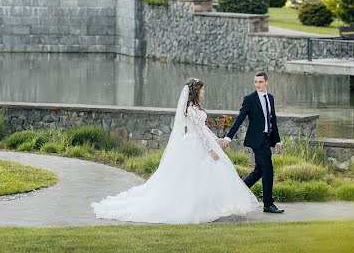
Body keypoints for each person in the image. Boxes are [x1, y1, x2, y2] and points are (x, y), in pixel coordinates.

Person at [91, 78, 258, 224]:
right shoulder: (191, 109)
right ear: (196, 91)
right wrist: (210, 150)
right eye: (202, 89)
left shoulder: (196, 106)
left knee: (207, 176)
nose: (204, 91)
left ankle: (208, 205)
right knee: (193, 177)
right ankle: (193, 207)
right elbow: (198, 132)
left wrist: (216, 140)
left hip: (201, 141)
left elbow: (203, 128)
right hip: (194, 145)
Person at [221, 71, 284, 214]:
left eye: (260, 82)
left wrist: (278, 140)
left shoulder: (271, 98)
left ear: (266, 82)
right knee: (268, 170)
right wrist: (228, 137)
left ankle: (236, 192)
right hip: (257, 140)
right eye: (255, 82)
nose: (257, 85)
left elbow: (273, 121)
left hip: (267, 139)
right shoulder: (250, 99)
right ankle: (268, 204)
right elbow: (240, 119)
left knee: (259, 171)